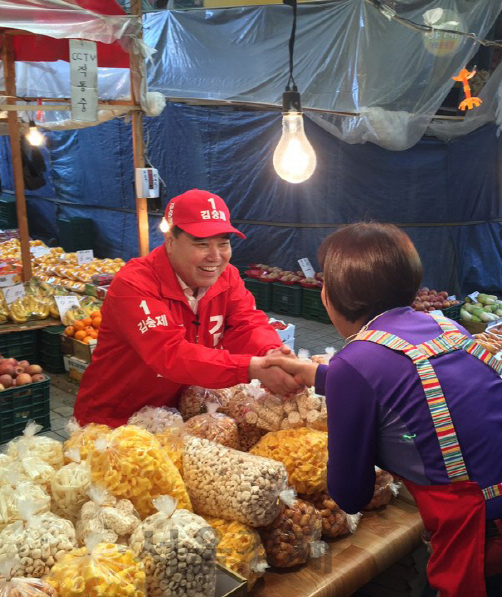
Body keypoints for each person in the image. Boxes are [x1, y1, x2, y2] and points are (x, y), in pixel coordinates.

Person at [265, 222, 502, 597]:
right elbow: (399, 375)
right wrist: (314, 374)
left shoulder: (354, 362)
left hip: (481, 540)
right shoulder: (446, 327)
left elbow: (350, 495)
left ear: (335, 296)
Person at [74, 189, 300, 427]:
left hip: (174, 416)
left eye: (223, 244)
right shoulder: (134, 283)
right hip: (115, 420)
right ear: (170, 241)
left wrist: (273, 353)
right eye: (201, 244)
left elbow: (247, 323)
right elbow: (170, 354)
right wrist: (253, 368)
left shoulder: (228, 277)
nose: (215, 256)